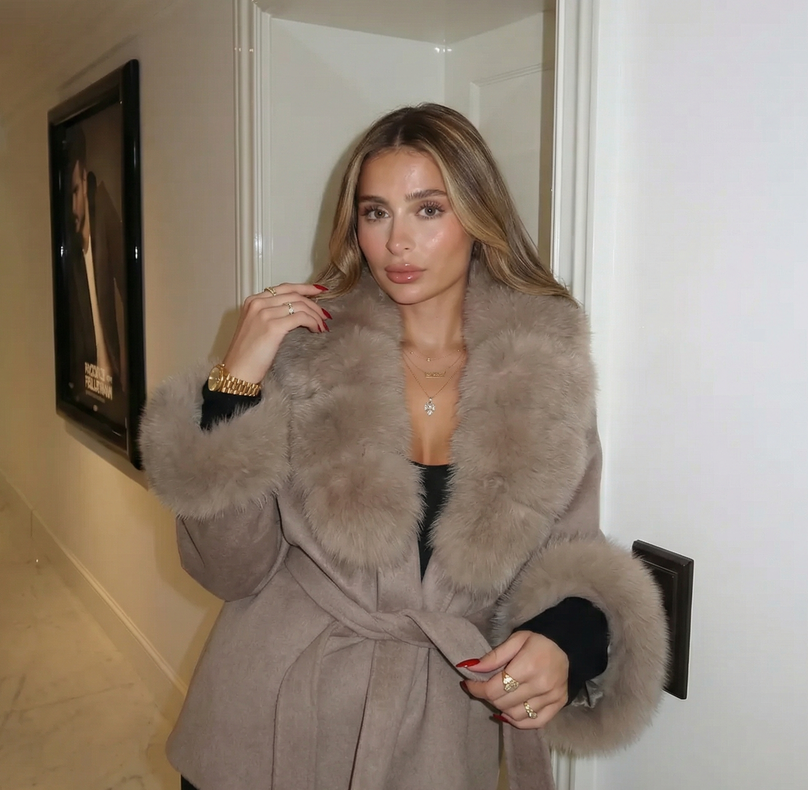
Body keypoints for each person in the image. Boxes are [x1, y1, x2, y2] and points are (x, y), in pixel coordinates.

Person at [140, 103, 668, 790]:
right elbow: (229, 572)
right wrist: (233, 383)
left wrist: (566, 641)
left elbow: (568, 555)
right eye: (375, 213)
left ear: (478, 218)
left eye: (428, 210)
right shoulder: (303, 357)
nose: (396, 242)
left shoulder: (546, 372)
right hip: (269, 724)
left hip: (438, 734)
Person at [63, 124, 126, 413]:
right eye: (68, 196)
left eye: (76, 191)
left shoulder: (104, 212)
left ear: (85, 181)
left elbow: (130, 291)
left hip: (117, 386)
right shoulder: (69, 250)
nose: (72, 207)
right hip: (87, 391)